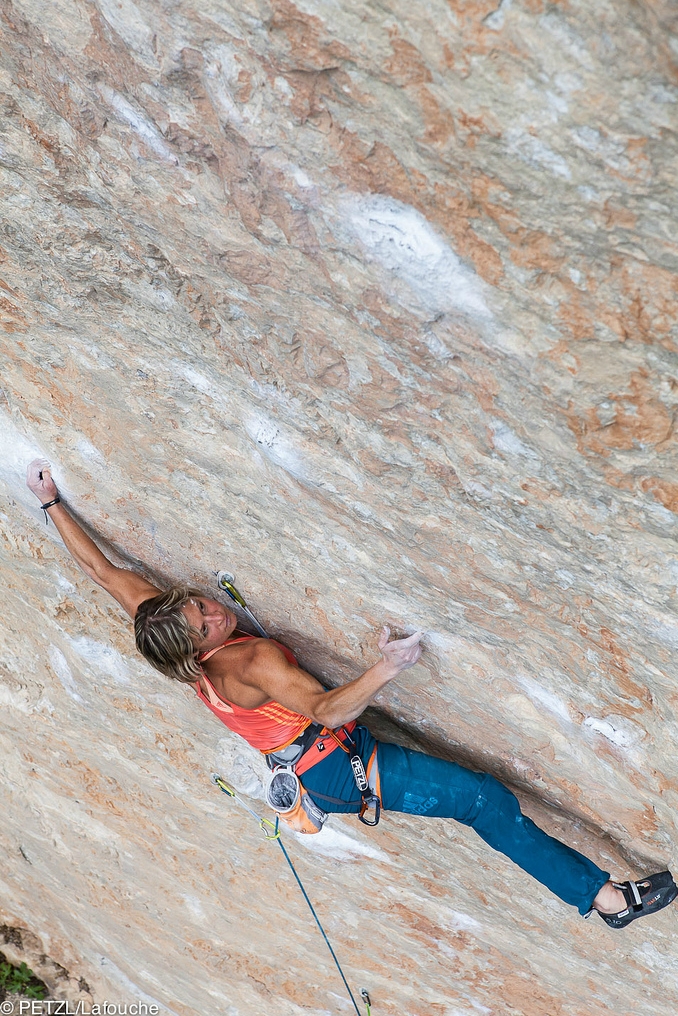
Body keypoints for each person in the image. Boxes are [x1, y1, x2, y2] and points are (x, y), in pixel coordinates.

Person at [26, 458, 676, 930]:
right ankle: (606, 902)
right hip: (337, 765)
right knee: (482, 801)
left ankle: (601, 897)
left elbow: (103, 572)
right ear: (195, 649)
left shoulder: (166, 632)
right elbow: (327, 708)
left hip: (312, 768)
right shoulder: (248, 661)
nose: (213, 614)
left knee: (481, 800)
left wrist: (52, 503)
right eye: (204, 625)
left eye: (201, 607)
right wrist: (385, 669)